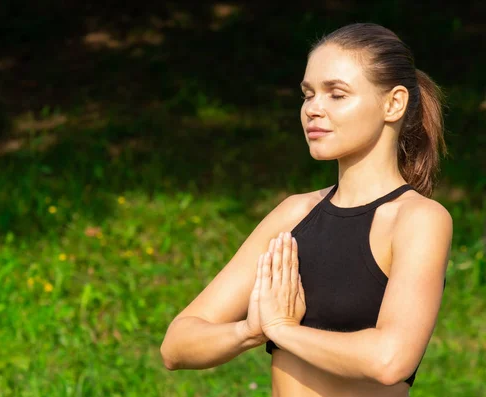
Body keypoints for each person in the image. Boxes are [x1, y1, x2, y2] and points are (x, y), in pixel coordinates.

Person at [160, 22, 453, 396]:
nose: (313, 109)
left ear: (393, 103)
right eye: (307, 94)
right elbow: (177, 344)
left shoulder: (418, 220)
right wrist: (250, 329)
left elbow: (390, 360)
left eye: (336, 94)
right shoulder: (293, 214)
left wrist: (283, 330)